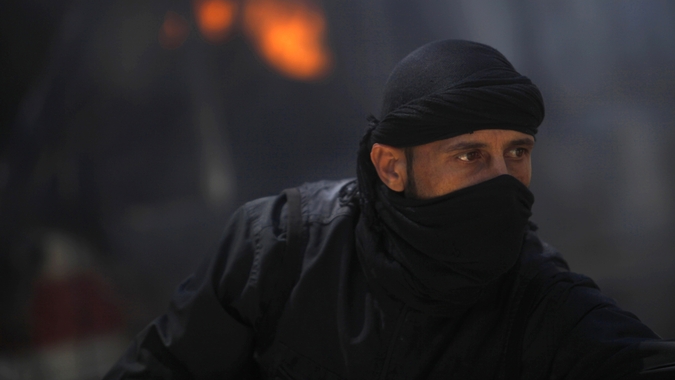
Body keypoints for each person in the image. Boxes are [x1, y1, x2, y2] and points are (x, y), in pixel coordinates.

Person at [104, 40, 675, 379]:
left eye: (517, 153)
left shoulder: (539, 300)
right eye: (470, 155)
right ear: (391, 167)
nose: (502, 180)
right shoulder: (277, 250)